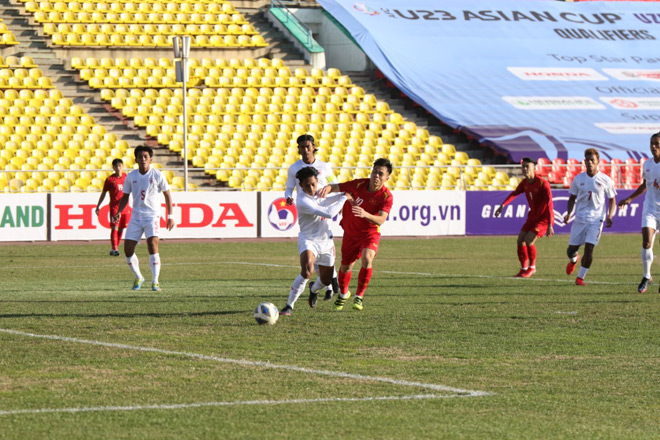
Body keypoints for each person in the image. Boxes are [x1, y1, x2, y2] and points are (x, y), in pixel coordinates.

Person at [319, 158, 394, 311]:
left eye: (380, 174)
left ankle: (359, 296)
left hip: (369, 233)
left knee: (367, 259)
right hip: (351, 233)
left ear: (387, 178)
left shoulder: (386, 196)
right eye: (374, 171)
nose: (376, 175)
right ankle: (343, 294)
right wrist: (328, 188)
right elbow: (338, 187)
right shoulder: (359, 184)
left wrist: (365, 214)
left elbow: (381, 220)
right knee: (345, 267)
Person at [280, 166, 349, 316]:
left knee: (326, 281)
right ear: (301, 185)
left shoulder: (319, 193)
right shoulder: (302, 201)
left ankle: (313, 289)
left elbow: (327, 200)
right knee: (307, 270)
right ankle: (289, 305)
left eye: (313, 184)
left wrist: (342, 194)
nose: (311, 188)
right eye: (307, 185)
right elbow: (329, 213)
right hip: (308, 240)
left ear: (317, 181)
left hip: (326, 242)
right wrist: (344, 197)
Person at [284, 134, 339, 301]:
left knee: (324, 241)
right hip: (307, 208)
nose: (305, 149)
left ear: (313, 147)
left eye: (308, 146)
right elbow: (289, 187)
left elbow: (334, 184)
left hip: (323, 206)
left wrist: (337, 199)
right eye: (302, 147)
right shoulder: (294, 168)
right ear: (299, 149)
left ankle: (328, 285)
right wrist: (288, 197)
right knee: (313, 246)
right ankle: (328, 284)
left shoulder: (324, 166)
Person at [114, 145, 175, 292]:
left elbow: (167, 194)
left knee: (152, 245)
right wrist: (119, 211)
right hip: (136, 217)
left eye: (146, 157)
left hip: (152, 216)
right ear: (136, 159)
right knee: (128, 249)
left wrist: (170, 216)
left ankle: (155, 281)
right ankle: (139, 277)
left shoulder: (158, 175)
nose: (143, 159)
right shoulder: (131, 176)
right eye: (140, 157)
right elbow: (125, 196)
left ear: (151, 159)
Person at [563, 148, 617, 286]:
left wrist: (610, 215)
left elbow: (612, 199)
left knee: (589, 249)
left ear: (598, 161)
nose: (590, 162)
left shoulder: (606, 180)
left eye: (592, 160)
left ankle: (580, 278)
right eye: (587, 160)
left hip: (596, 220)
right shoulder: (578, 179)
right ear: (584, 161)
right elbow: (572, 197)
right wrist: (569, 213)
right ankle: (574, 259)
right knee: (571, 250)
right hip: (580, 219)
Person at [494, 157, 555, 277]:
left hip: (544, 219)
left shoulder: (543, 183)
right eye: (523, 167)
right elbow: (515, 193)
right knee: (520, 240)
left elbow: (549, 205)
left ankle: (532, 268)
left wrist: (549, 225)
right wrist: (503, 205)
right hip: (533, 216)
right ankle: (523, 269)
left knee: (529, 240)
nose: (525, 169)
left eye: (527, 167)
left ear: (534, 168)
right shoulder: (525, 183)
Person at [618, 131, 660, 293]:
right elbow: (644, 185)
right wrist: (629, 199)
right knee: (647, 242)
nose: (654, 147)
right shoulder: (647, 164)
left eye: (657, 144)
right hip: (650, 209)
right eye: (652, 144)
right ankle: (646, 276)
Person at [95, 158, 131, 256]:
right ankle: (115, 248)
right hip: (115, 208)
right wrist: (98, 205)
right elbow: (103, 193)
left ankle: (114, 248)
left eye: (120, 166)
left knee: (121, 228)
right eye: (116, 166)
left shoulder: (127, 177)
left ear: (122, 166)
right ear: (113, 168)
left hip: (125, 208)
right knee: (115, 227)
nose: (118, 168)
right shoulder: (110, 180)